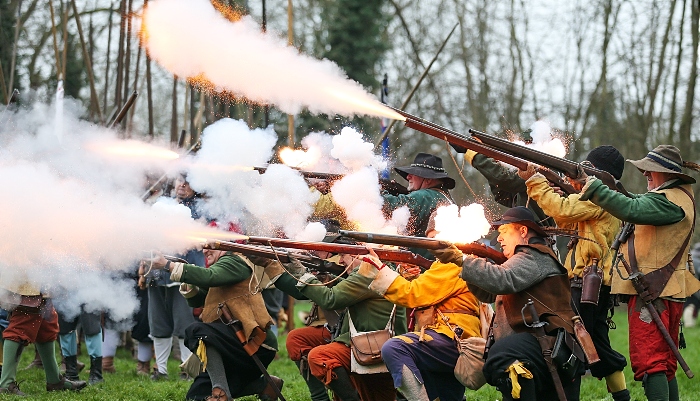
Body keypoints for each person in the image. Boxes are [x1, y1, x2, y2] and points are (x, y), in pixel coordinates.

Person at [577, 145, 700, 400]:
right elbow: (634, 202)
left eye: (651, 170)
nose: (645, 174)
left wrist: (592, 186)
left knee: (651, 363)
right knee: (663, 365)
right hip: (663, 290)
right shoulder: (672, 197)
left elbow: (631, 209)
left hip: (655, 291)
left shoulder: (668, 200)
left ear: (666, 174)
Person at [519, 145, 630, 400]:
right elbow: (567, 220)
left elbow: (562, 210)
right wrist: (558, 192)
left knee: (575, 347)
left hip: (587, 283)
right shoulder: (603, 198)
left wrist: (536, 180)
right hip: (589, 282)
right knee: (598, 346)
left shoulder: (601, 196)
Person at [435, 206, 581, 400]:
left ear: (523, 231)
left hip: (549, 344)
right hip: (533, 347)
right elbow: (489, 294)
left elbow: (503, 279)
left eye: (504, 232)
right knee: (503, 358)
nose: (499, 239)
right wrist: (468, 263)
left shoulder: (534, 255)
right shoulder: (521, 259)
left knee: (502, 354)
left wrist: (463, 260)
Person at [149, 248, 282, 401]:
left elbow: (209, 277)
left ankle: (221, 394)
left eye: (211, 245)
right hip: (234, 343)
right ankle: (264, 385)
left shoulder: (235, 261)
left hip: (256, 344)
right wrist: (190, 287)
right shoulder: (220, 266)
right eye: (204, 246)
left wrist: (168, 265)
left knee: (197, 330)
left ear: (224, 246)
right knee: (196, 396)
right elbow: (200, 299)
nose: (205, 250)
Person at [357, 238, 481, 401]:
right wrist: (406, 275)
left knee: (394, 348)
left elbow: (412, 293)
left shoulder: (451, 265)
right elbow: (428, 292)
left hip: (451, 337)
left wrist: (379, 270)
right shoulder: (451, 265)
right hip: (448, 337)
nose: (431, 243)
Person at [270, 253, 406, 401]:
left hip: (373, 343)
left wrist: (301, 273)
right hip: (358, 337)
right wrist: (328, 280)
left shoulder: (368, 271)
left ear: (357, 256)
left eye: (344, 255)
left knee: (319, 356)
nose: (340, 260)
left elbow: (331, 299)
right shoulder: (369, 270)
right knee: (298, 339)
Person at [145, 174, 202, 380]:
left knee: (184, 324)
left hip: (184, 273)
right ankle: (161, 370)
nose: (183, 184)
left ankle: (187, 370)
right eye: (180, 179)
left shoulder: (201, 210)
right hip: (157, 273)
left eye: (188, 180)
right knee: (158, 323)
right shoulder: (161, 205)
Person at [0, 279, 87, 395]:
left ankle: (55, 381)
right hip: (28, 279)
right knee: (20, 327)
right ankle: (6, 384)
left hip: (42, 279)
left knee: (47, 326)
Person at [382, 153, 455, 255]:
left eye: (414, 174)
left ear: (428, 179)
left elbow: (389, 206)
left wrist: (379, 190)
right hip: (435, 265)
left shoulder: (426, 196)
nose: (408, 176)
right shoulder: (443, 197)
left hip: (421, 268)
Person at [55, 305, 104, 385]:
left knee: (92, 326)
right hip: (64, 293)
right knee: (65, 327)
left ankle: (96, 374)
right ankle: (71, 372)